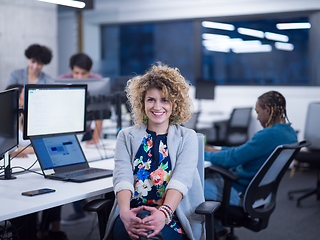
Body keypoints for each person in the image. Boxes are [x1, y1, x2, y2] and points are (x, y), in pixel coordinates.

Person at [104, 62, 205, 240]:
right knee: (140, 234)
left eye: (164, 100)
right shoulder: (125, 136)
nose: (157, 106)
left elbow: (181, 181)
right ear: (142, 102)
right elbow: (122, 177)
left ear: (175, 104)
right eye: (151, 99)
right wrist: (125, 213)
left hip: (172, 217)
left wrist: (163, 214)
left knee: (149, 236)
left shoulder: (187, 137)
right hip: (131, 214)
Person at [204, 90, 298, 239]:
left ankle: (205, 233)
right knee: (212, 175)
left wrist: (200, 153)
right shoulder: (289, 133)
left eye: (258, 112)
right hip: (257, 194)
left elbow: (231, 159)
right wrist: (218, 149)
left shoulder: (268, 135)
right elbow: (245, 151)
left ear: (267, 110)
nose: (257, 117)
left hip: (239, 192)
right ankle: (220, 231)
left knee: (192, 187)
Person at [6, 84, 67, 240]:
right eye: (22, 96)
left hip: (30, 162)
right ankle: (37, 232)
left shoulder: (29, 117)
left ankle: (51, 231)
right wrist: (33, 148)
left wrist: (26, 149)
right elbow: (12, 149)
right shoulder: (7, 120)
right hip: (20, 165)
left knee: (54, 185)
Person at [59, 53, 103, 225]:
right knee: (69, 165)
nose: (79, 77)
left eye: (83, 74)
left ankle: (85, 204)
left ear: (90, 72)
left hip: (86, 130)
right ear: (71, 71)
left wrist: (96, 137)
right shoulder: (61, 81)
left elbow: (100, 110)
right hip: (66, 130)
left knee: (87, 162)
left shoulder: (97, 81)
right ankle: (79, 209)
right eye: (76, 73)